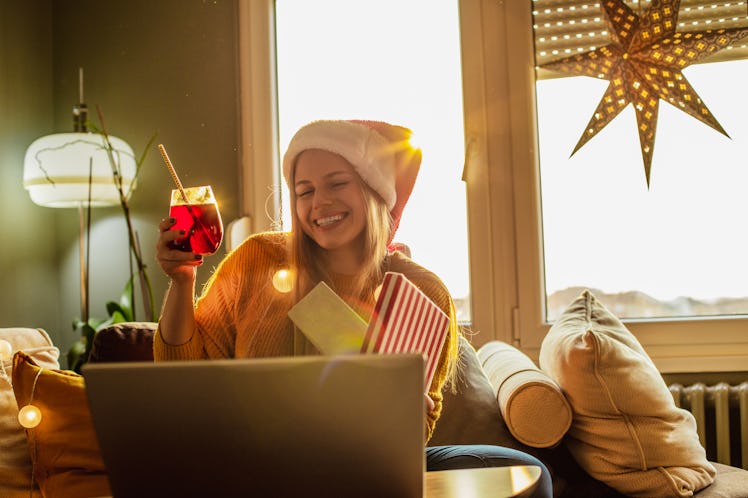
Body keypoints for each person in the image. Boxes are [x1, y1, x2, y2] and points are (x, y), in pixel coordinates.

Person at [155, 119, 552, 496]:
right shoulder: (257, 259)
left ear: (373, 190)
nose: (319, 202)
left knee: (520, 469)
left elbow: (411, 436)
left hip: (366, 466)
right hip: (256, 460)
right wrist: (182, 281)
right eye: (304, 190)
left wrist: (406, 414)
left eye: (337, 183)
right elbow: (181, 374)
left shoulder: (423, 291)